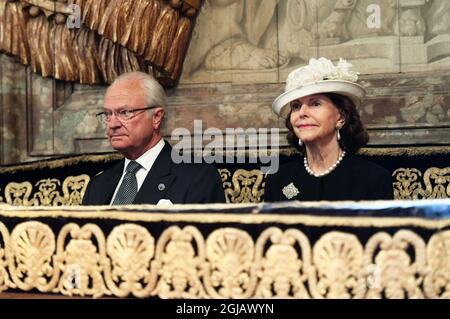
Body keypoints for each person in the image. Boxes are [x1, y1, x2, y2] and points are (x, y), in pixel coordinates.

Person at [82, 72, 226, 205]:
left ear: (156, 117)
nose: (112, 124)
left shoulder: (198, 179)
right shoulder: (97, 185)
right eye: (107, 114)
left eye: (124, 113)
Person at [265, 57, 393, 202]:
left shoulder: (372, 178)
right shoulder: (278, 180)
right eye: (296, 106)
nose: (302, 112)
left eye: (315, 104)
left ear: (341, 117)